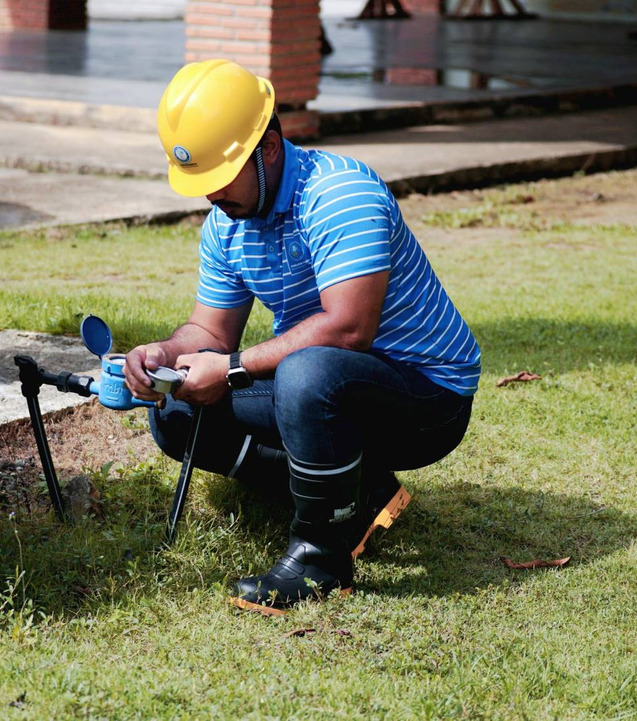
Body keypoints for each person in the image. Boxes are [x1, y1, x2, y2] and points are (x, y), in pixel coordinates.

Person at [124, 59, 480, 614]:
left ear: (268, 147)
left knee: (307, 372)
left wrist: (232, 368)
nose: (210, 194)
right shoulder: (226, 223)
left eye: (221, 176)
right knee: (176, 412)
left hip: (428, 397)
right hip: (325, 383)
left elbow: (348, 328)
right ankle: (360, 492)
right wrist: (165, 355)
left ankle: (322, 558)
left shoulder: (339, 193)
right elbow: (210, 330)